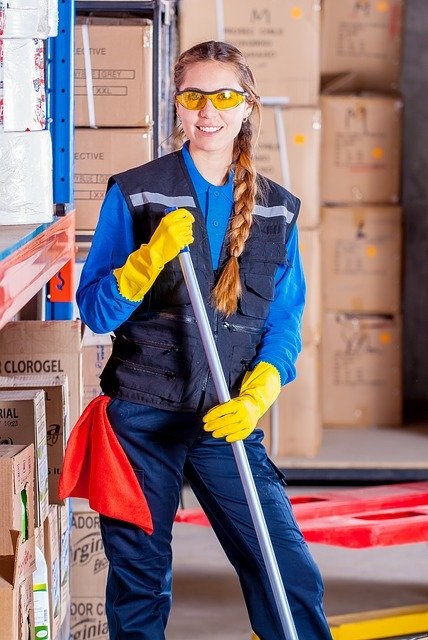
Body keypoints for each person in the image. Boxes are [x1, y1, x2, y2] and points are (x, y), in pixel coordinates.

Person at [72, 40, 333, 640]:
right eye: (193, 96)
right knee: (140, 582)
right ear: (177, 106)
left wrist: (257, 396)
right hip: (138, 418)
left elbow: (283, 327)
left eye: (223, 97)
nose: (208, 111)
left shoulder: (277, 210)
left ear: (246, 108)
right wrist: (146, 261)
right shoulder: (137, 193)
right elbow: (95, 312)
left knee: (286, 571)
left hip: (225, 417)